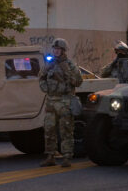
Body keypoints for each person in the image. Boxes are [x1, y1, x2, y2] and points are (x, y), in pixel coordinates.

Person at [39, 38, 82, 168]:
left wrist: (66, 72)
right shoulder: (49, 64)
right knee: (49, 129)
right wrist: (45, 88)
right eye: (54, 49)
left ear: (63, 51)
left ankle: (67, 157)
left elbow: (78, 82)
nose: (55, 51)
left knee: (66, 130)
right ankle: (50, 156)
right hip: (51, 101)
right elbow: (41, 77)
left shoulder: (70, 65)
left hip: (65, 101)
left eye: (58, 49)